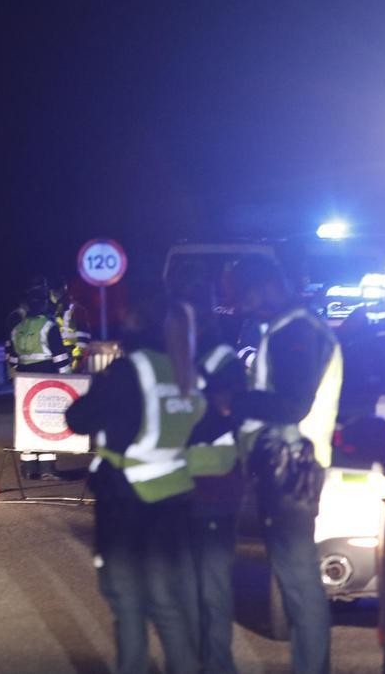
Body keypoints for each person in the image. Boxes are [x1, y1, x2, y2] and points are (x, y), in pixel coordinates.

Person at [66, 284, 203, 674]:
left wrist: (101, 384)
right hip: (174, 498)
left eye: (129, 315)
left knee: (126, 602)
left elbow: (78, 419)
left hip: (126, 500)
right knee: (166, 602)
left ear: (141, 322)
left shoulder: (129, 371)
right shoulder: (183, 371)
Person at [227, 256, 341, 674]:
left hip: (294, 467)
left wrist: (233, 403)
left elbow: (292, 405)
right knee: (294, 577)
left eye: (242, 296)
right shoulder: (293, 326)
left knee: (297, 579)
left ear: (265, 285)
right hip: (290, 463)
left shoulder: (297, 328)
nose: (239, 306)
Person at [169, 279, 248, 674]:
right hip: (183, 485)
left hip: (214, 484)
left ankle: (216, 667)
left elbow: (227, 415)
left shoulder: (220, 360)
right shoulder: (177, 358)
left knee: (211, 583)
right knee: (185, 582)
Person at [8, 282, 72, 479]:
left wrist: (15, 379)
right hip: (46, 375)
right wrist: (67, 381)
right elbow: (60, 357)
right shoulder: (49, 326)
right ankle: (47, 468)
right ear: (44, 304)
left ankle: (28, 468)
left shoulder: (17, 328)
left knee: (27, 420)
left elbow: (12, 358)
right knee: (46, 420)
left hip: (24, 377)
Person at [51, 276, 93, 372]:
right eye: (53, 291)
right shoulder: (52, 310)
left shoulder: (77, 310)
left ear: (64, 289)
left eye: (56, 291)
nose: (55, 294)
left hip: (71, 355)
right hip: (57, 356)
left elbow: (83, 340)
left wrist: (78, 360)